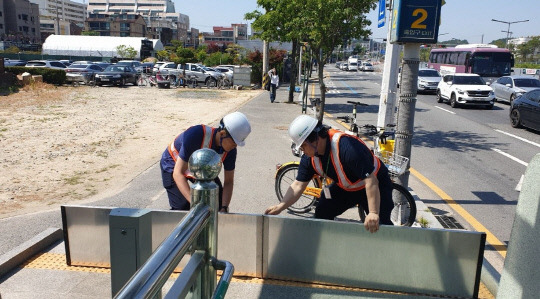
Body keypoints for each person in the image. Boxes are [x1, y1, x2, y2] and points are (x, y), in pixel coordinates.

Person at [265, 115, 394, 233]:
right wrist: (280, 206)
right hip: (347, 187)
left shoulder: (347, 148)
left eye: (303, 146)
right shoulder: (309, 158)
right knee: (323, 210)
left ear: (315, 139)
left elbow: (371, 181)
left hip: (375, 184)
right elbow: (298, 185)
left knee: (380, 225)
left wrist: (373, 212)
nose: (302, 151)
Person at [160, 112, 251, 212]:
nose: (235, 146)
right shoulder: (195, 134)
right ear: (222, 134)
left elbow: (229, 181)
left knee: (216, 200)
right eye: (234, 142)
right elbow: (178, 174)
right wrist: (195, 204)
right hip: (173, 164)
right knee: (183, 207)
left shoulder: (230, 150)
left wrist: (224, 207)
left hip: (201, 167)